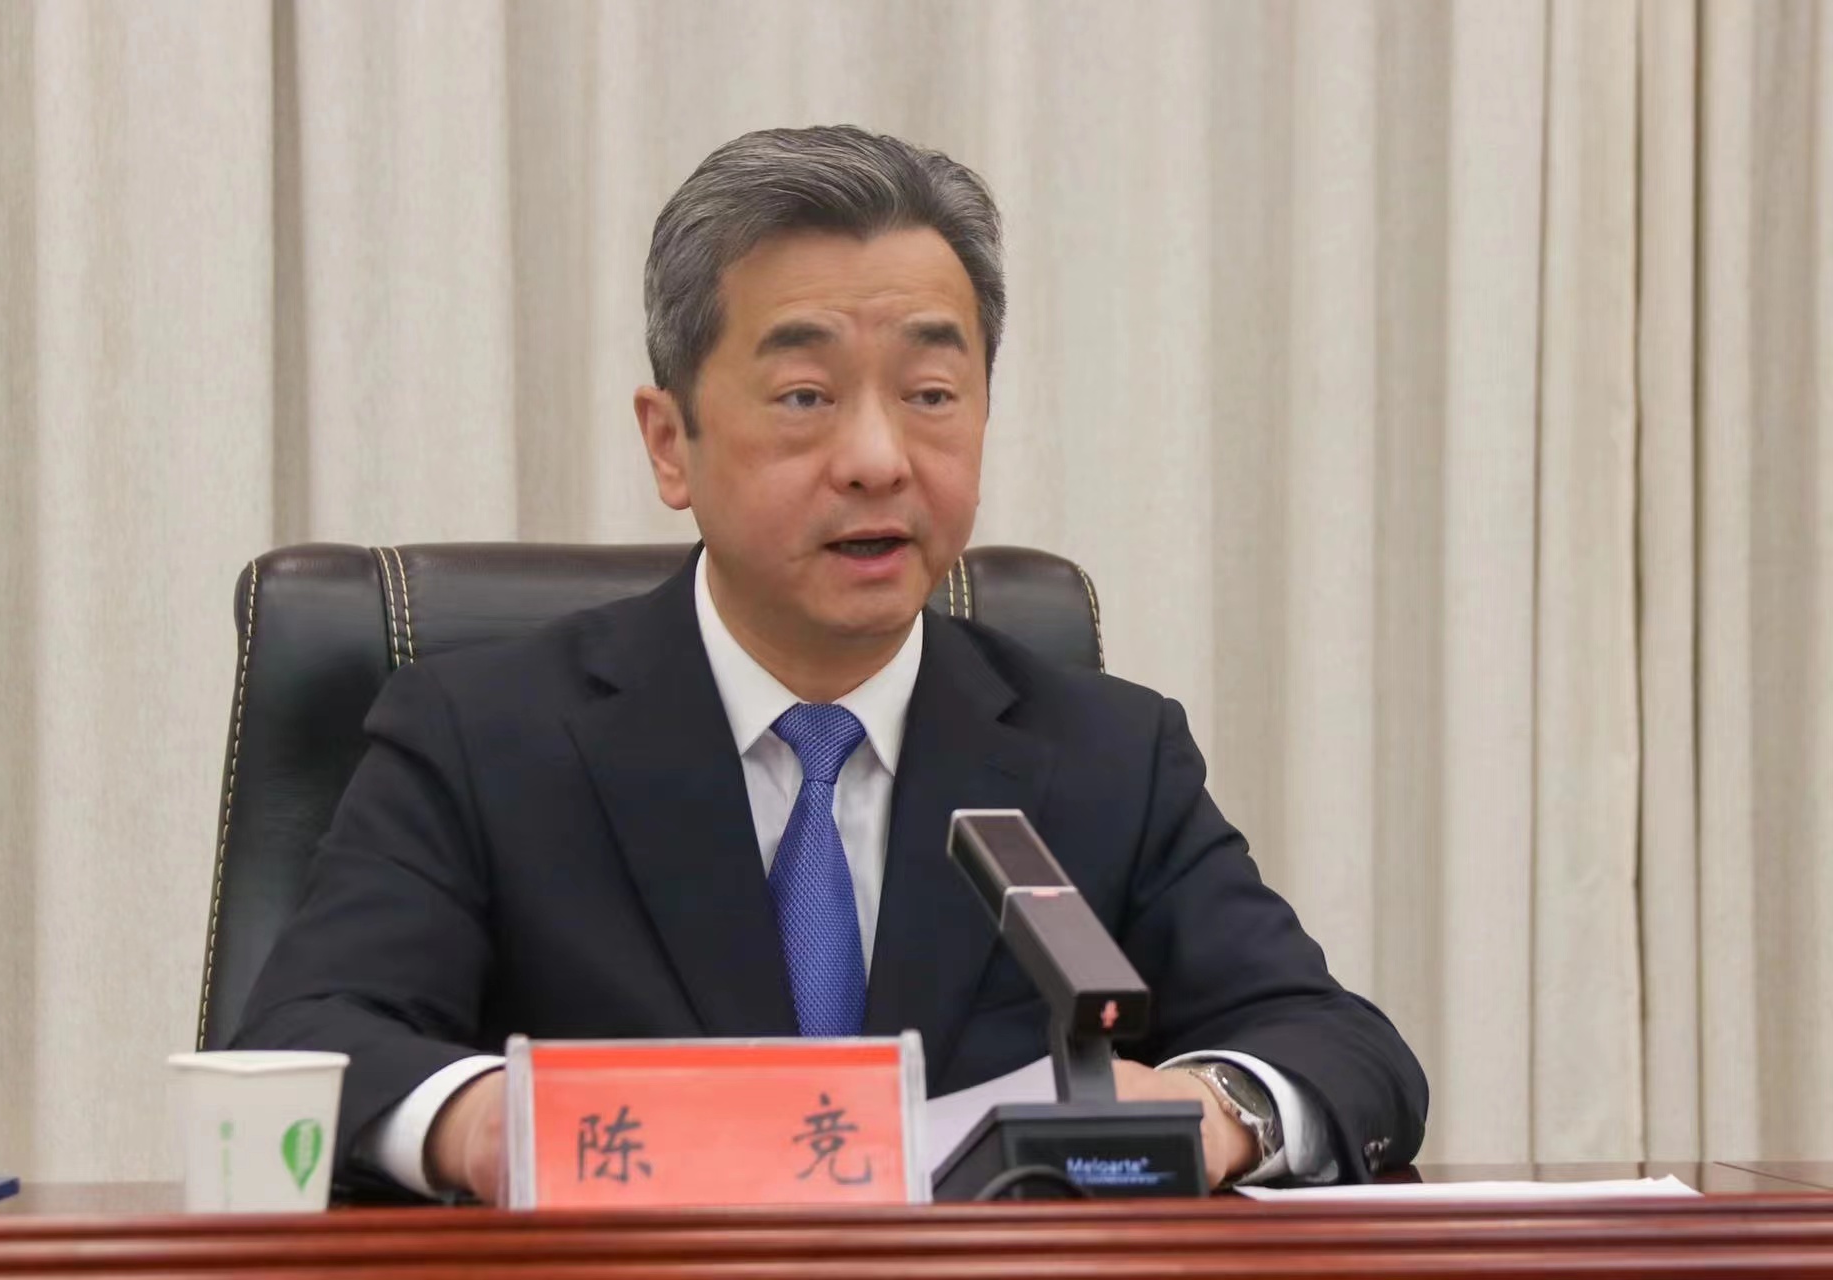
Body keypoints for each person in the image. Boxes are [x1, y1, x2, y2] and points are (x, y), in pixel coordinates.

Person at [233, 124, 1428, 1202]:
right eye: (806, 395)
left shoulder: (1107, 755)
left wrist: (1216, 1111)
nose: (877, 458)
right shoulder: (481, 734)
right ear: (671, 441)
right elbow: (306, 1035)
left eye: (931, 393)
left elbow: (1339, 1044)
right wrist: (490, 1124)